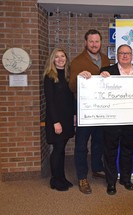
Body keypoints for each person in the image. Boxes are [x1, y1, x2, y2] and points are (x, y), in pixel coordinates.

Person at [100, 44, 133, 195]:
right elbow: (100, 92)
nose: (125, 56)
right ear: (117, 55)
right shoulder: (107, 71)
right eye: (121, 53)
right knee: (110, 152)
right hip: (112, 120)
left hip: (131, 120)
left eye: (127, 53)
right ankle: (111, 181)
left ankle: (126, 179)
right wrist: (101, 80)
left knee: (127, 150)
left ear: (132, 55)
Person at [69, 29, 110, 194]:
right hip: (85, 110)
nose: (94, 44)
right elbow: (71, 86)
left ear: (101, 43)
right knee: (81, 145)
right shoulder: (78, 61)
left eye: (97, 41)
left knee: (99, 141)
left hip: (102, 109)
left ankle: (97, 167)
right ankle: (82, 177)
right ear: (85, 42)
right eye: (91, 41)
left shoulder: (106, 59)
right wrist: (79, 76)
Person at [43, 48, 75, 191]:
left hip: (67, 118)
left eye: (62, 56)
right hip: (56, 120)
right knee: (58, 149)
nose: (60, 59)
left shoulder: (68, 75)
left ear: (66, 59)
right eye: (57, 57)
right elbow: (50, 102)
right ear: (53, 60)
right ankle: (55, 180)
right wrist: (56, 122)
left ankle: (61, 177)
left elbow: (71, 99)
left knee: (61, 150)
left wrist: (74, 115)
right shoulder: (50, 76)